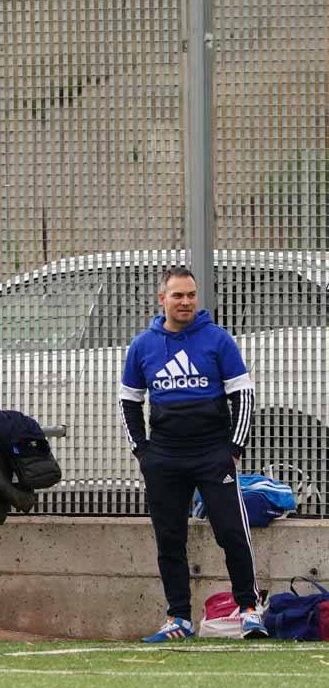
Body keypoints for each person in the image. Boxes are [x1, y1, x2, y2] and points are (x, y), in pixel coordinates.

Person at [120, 266, 263, 642]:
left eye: (191, 295)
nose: (185, 302)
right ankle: (178, 618)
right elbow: (128, 401)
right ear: (162, 298)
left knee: (232, 532)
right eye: (178, 295)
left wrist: (234, 449)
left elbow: (242, 395)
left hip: (212, 454)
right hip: (164, 458)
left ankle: (249, 609)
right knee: (169, 538)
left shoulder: (217, 340)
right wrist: (142, 452)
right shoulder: (143, 346)